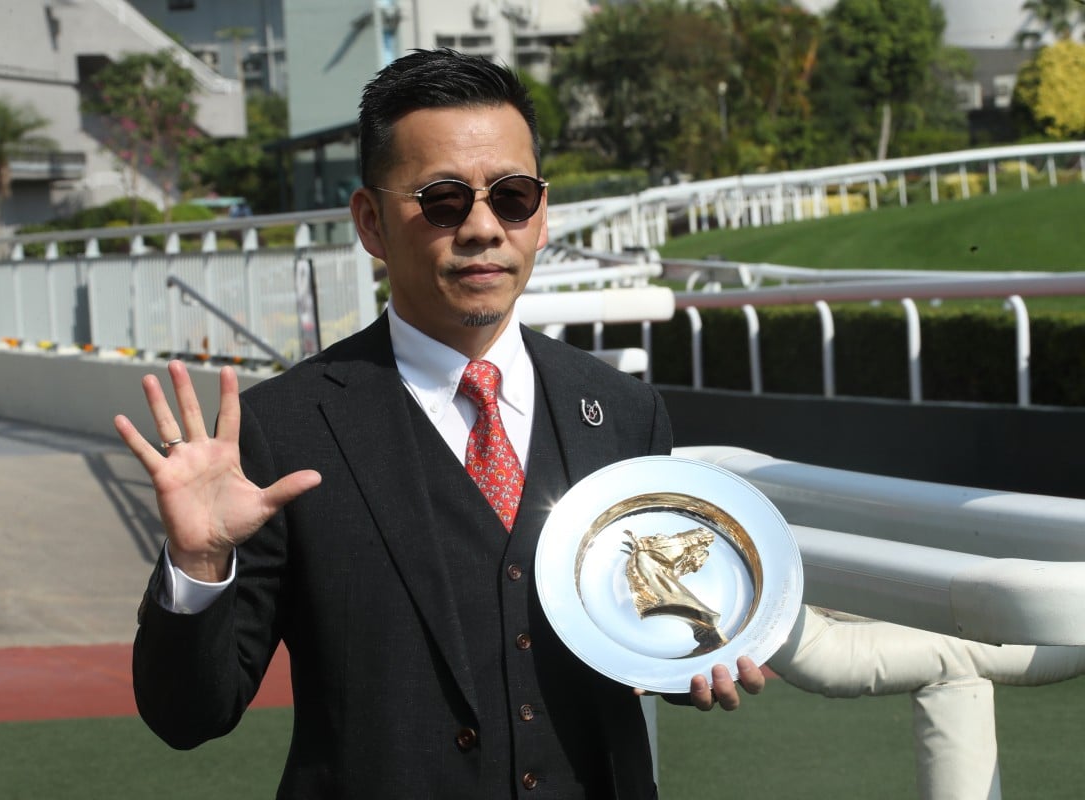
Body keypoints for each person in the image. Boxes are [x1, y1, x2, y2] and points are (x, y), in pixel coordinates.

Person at [116, 48, 764, 799]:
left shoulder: (622, 412)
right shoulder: (281, 428)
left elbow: (636, 624)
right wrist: (197, 566)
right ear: (370, 221)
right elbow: (187, 713)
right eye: (444, 200)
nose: (484, 228)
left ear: (542, 215)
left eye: (513, 196)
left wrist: (692, 660)